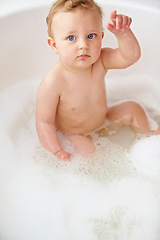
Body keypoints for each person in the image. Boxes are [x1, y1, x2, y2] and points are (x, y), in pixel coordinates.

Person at [36, 0, 154, 160]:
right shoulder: (53, 83)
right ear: (54, 45)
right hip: (74, 134)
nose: (83, 45)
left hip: (103, 119)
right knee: (91, 153)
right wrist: (57, 151)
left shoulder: (100, 60)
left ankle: (150, 144)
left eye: (91, 36)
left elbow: (130, 57)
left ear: (102, 36)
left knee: (133, 108)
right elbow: (44, 123)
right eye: (71, 38)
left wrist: (124, 34)